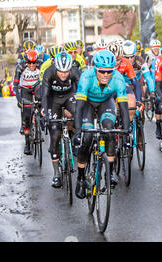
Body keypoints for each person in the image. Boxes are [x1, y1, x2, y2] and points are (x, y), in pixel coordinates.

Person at [73, 50, 130, 198]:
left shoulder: (118, 79)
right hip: (88, 104)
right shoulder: (86, 77)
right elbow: (78, 108)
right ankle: (80, 178)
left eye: (109, 72)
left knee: (110, 130)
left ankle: (110, 173)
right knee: (86, 139)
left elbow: (123, 107)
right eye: (102, 71)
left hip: (106, 102)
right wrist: (78, 133)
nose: (106, 75)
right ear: (95, 69)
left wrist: (126, 130)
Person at [39, 52, 80, 188]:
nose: (63, 75)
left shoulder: (75, 72)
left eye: (66, 72)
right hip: (53, 100)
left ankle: (75, 139)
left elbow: (81, 92)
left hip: (69, 96)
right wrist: (45, 115)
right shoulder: (49, 73)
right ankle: (56, 174)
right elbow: (44, 96)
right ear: (55, 68)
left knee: (78, 114)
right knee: (55, 136)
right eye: (61, 72)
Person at [13, 50, 42, 155]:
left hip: (37, 87)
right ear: (26, 61)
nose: (32, 65)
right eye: (29, 62)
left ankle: (41, 120)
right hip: (25, 89)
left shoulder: (41, 64)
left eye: (34, 62)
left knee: (41, 100)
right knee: (26, 116)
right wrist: (19, 99)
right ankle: (27, 144)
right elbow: (15, 85)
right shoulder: (20, 66)